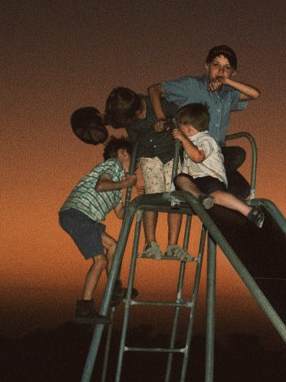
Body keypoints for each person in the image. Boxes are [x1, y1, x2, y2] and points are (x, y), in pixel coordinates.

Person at [149, 44, 260, 196]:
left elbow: (255, 94)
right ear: (206, 66)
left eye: (227, 68)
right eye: (216, 65)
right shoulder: (192, 86)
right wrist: (161, 117)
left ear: (233, 73)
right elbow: (154, 89)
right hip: (195, 152)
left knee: (241, 190)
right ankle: (203, 182)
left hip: (217, 156)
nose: (221, 71)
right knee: (237, 154)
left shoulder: (228, 94)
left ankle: (211, 203)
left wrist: (226, 82)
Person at [59, 137, 139, 321]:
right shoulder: (112, 165)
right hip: (78, 213)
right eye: (134, 161)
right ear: (123, 153)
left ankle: (114, 290)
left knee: (113, 246)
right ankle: (85, 309)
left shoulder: (117, 185)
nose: (136, 167)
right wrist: (125, 184)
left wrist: (134, 200)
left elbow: (120, 213)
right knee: (100, 261)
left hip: (84, 218)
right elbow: (101, 185)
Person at [103, 85, 185, 259]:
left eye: (135, 117)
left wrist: (168, 124)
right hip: (148, 156)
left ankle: (173, 245)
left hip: (172, 154)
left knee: (175, 198)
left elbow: (181, 117)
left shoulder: (160, 105)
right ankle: (150, 243)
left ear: (139, 109)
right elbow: (114, 123)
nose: (133, 122)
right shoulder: (126, 117)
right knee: (152, 197)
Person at [171, 104, 263, 225]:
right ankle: (202, 197)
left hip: (210, 177)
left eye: (180, 128)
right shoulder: (188, 144)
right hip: (196, 182)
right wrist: (175, 198)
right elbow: (186, 169)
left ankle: (249, 211)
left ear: (189, 129)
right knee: (180, 178)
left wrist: (183, 139)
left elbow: (198, 157)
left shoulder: (206, 140)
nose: (179, 131)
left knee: (218, 195)